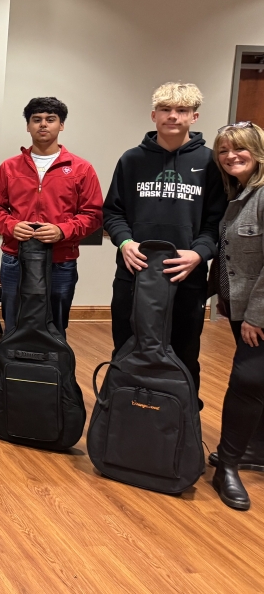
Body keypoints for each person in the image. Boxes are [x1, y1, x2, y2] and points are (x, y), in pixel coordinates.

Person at [103, 83, 226, 396]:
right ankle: (124, 417)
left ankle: (181, 426)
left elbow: (217, 223)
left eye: (182, 110)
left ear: (194, 116)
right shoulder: (131, 160)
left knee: (184, 353)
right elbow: (113, 213)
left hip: (186, 275)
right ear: (153, 115)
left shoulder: (211, 163)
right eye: (166, 110)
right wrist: (125, 243)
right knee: (127, 347)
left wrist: (199, 254)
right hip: (134, 274)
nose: (173, 116)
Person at [0, 97, 102, 338]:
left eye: (50, 119)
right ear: (27, 126)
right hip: (15, 260)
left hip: (61, 260)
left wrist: (63, 230)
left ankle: (53, 373)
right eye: (36, 120)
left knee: (55, 327)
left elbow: (93, 215)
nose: (43, 125)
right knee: (13, 325)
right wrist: (11, 226)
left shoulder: (81, 168)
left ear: (61, 125)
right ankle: (11, 371)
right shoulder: (9, 168)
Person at [208, 121, 264, 511]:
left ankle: (226, 466)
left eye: (239, 148)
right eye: (224, 150)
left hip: (257, 313)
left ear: (258, 151)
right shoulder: (239, 193)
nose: (231, 156)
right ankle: (250, 449)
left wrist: (256, 317)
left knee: (247, 378)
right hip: (240, 307)